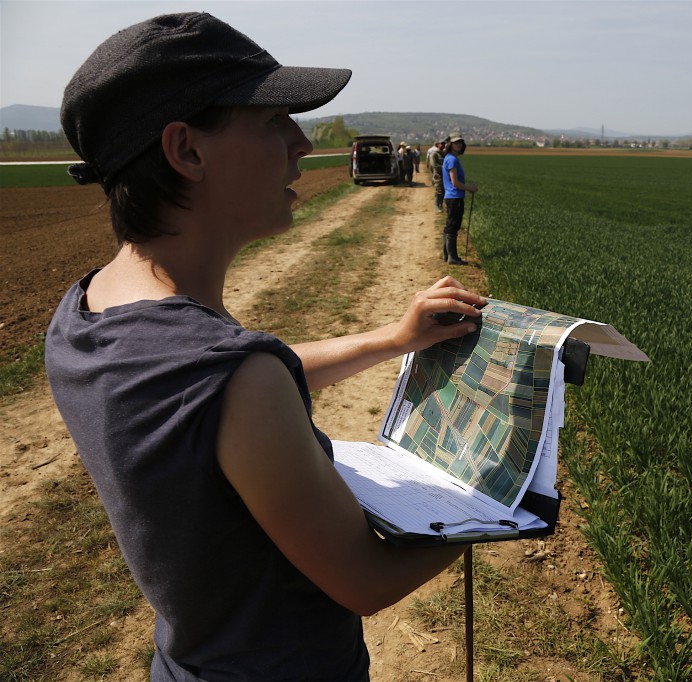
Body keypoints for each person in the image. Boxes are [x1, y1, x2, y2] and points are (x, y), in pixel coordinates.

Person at [45, 13, 484, 681]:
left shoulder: (86, 310)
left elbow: (219, 399)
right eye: (273, 119)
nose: (302, 144)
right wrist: (493, 504)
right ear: (187, 151)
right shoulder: (235, 378)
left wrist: (394, 339)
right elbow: (364, 580)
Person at [441, 134, 478, 265]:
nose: (459, 145)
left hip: (451, 197)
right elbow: (455, 182)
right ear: (450, 144)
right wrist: (469, 188)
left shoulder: (449, 158)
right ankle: (453, 257)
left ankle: (446, 255)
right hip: (455, 197)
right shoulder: (452, 160)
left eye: (461, 142)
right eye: (456, 142)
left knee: (450, 226)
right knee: (453, 227)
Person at [425, 138, 446, 212]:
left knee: (443, 191)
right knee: (438, 190)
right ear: (438, 144)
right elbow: (434, 165)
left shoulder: (444, 154)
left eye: (444, 144)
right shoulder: (434, 154)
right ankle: (436, 206)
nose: (443, 145)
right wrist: (444, 168)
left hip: (444, 175)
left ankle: (440, 205)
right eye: (441, 144)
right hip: (438, 175)